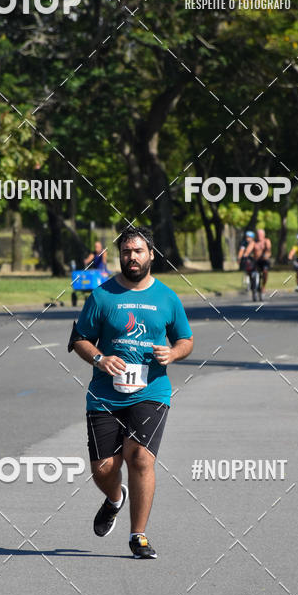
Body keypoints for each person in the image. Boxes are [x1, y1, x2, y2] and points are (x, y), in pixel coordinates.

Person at [68, 226, 194, 559]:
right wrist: (99, 358)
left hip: (151, 391)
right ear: (119, 256)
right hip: (104, 396)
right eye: (126, 252)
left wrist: (173, 353)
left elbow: (185, 339)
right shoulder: (102, 296)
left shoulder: (167, 297)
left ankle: (138, 535)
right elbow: (79, 339)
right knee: (104, 468)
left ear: (151, 254)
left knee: (139, 457)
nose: (132, 257)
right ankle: (114, 498)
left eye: (138, 251)